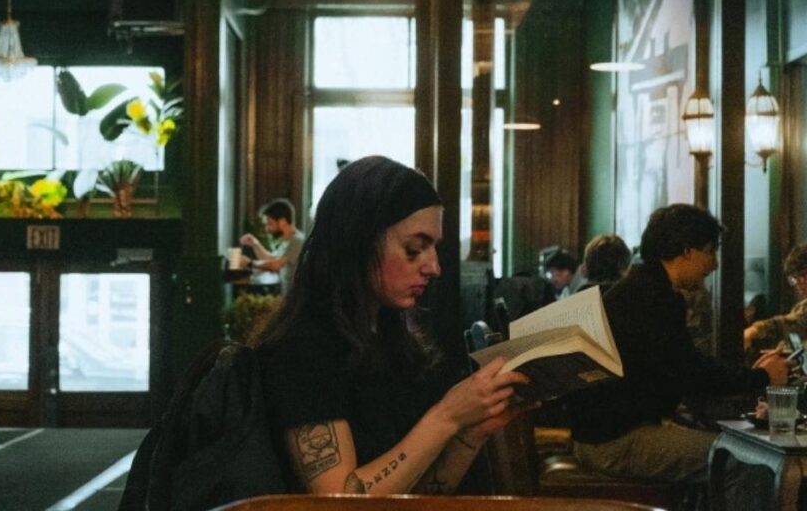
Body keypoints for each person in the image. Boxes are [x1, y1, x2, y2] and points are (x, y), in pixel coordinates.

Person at [253, 155, 528, 495]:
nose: (434, 267)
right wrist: (447, 418)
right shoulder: (303, 346)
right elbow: (336, 501)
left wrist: (471, 433)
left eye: (433, 248)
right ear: (358, 242)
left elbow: (419, 493)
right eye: (415, 248)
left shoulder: (390, 338)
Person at [565, 204, 790, 508]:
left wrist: (752, 377)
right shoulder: (655, 297)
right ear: (686, 251)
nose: (714, 264)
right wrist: (762, 377)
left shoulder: (641, 286)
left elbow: (680, 368)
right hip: (615, 442)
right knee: (744, 463)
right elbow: (689, 372)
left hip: (604, 434)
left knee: (727, 448)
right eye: (710, 251)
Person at [744, 243, 807, 352]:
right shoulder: (803, 308)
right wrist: (753, 331)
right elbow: (790, 323)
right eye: (794, 278)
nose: (799, 284)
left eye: (804, 275)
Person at [240, 198, 305, 294]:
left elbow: (275, 266)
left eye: (270, 224)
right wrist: (255, 244)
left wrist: (249, 263)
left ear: (282, 222)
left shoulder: (297, 240)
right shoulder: (287, 241)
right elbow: (271, 259)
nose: (267, 229)